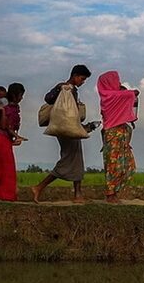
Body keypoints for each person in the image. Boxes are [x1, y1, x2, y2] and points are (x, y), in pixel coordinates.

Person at [32, 65, 98, 203]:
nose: (83, 82)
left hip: (69, 128)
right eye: (82, 78)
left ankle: (78, 194)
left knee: (76, 158)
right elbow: (48, 99)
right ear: (75, 76)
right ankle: (39, 187)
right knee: (69, 159)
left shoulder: (72, 90)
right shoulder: (65, 88)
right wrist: (59, 88)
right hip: (66, 129)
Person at [97, 70, 139, 203]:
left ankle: (114, 192)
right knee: (113, 165)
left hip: (121, 134)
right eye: (117, 81)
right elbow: (134, 93)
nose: (119, 83)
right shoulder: (109, 96)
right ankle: (110, 195)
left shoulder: (114, 96)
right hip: (114, 134)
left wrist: (123, 92)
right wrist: (126, 92)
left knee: (127, 166)